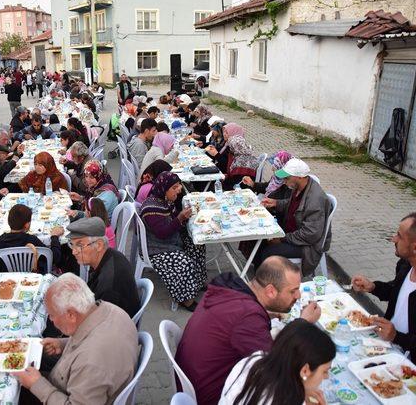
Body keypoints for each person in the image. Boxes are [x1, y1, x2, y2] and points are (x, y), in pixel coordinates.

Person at [175, 256, 322, 405]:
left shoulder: (230, 291)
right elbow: (278, 366)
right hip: (212, 396)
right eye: (293, 291)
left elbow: (236, 324)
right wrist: (303, 323)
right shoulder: (247, 317)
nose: (298, 296)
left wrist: (266, 315)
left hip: (196, 382)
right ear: (270, 291)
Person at [15, 273, 138, 404]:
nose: (50, 320)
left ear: (71, 315)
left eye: (51, 315)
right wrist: (62, 343)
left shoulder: (90, 363)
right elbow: (91, 336)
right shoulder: (111, 309)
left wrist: (36, 384)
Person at [220, 319, 334, 405]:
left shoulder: (255, 360)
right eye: (324, 371)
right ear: (305, 370)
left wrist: (302, 390)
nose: (327, 376)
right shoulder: (287, 399)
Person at [351, 213, 416, 362]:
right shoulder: (405, 265)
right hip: (385, 344)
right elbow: (395, 291)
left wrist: (396, 337)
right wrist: (373, 286)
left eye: (399, 236)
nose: (393, 239)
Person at [140, 172, 206, 311]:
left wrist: (183, 216)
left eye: (179, 186)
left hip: (168, 240)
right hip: (156, 248)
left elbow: (172, 218)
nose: (179, 189)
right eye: (174, 187)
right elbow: (163, 233)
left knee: (197, 244)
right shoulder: (151, 208)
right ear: (164, 189)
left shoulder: (164, 201)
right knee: (182, 262)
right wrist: (180, 219)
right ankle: (185, 299)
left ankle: (197, 283)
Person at [259, 158, 332, 276]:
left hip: (307, 245)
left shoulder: (315, 200)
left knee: (269, 251)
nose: (284, 181)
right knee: (261, 237)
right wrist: (276, 203)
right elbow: (294, 205)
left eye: (287, 178)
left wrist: (282, 239)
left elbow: (310, 234)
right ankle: (261, 276)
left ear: (300, 177)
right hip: (294, 234)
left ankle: (273, 283)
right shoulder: (299, 187)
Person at [66, 217, 139, 317]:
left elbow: (99, 322)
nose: (74, 252)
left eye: (80, 245)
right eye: (72, 244)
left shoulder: (109, 285)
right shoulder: (112, 254)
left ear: (99, 245)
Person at [0, 204, 63, 273]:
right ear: (26, 225)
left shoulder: (1, 240)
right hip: (33, 278)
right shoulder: (32, 240)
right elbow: (54, 257)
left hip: (8, 279)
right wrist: (54, 237)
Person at [205, 123, 258, 188]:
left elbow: (236, 180)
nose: (224, 134)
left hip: (237, 187)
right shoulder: (230, 145)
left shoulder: (235, 148)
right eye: (224, 132)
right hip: (228, 177)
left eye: (227, 132)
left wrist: (216, 154)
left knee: (207, 184)